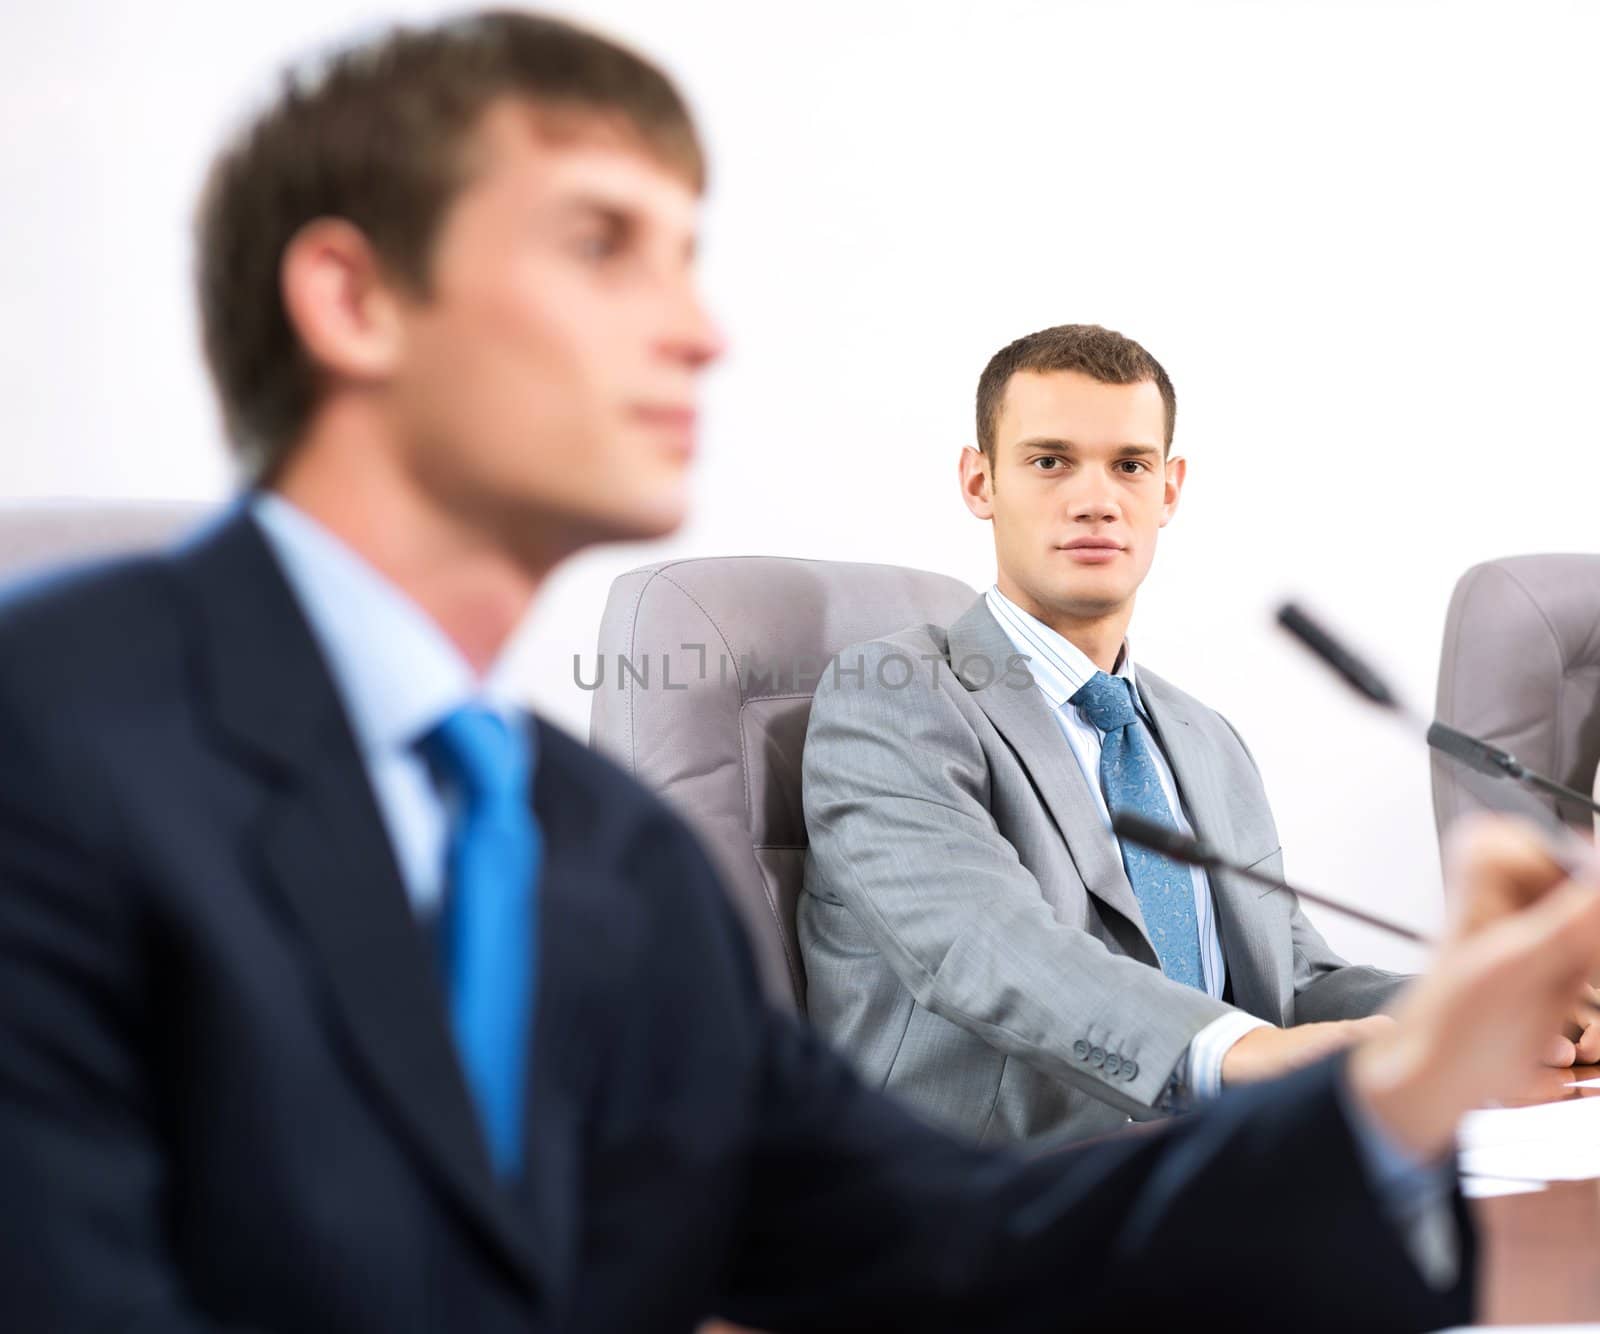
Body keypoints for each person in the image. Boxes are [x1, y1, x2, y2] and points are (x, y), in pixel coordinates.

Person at [0, 12, 1594, 1332]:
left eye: (691, 259)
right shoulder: (47, 742)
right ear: (352, 297)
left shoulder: (600, 854)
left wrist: (1407, 1082)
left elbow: (942, 1245)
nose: (699, 329)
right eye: (603, 247)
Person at [799, 322, 1600, 1145]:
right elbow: (983, 944)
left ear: (1170, 490)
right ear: (979, 482)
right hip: (989, 1190)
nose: (1095, 499)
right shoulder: (891, 698)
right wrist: (1237, 1050)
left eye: (1131, 466)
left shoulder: (1200, 736)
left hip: (1214, 1166)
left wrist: (1496, 1009)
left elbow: (1294, 984)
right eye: (1049, 461)